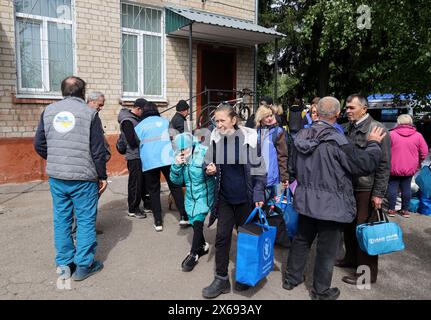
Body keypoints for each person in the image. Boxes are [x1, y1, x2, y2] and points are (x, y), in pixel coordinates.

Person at [284, 96, 386, 300]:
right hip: (331, 205)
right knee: (326, 249)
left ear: (317, 112)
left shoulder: (301, 135)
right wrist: (374, 144)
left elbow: (292, 169)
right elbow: (363, 165)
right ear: (337, 115)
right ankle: (321, 292)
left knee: (302, 241)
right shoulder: (338, 140)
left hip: (306, 201)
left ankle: (291, 279)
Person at [34, 76, 107, 281]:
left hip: (57, 176)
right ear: (82, 93)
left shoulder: (48, 111)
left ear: (62, 91)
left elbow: (39, 143)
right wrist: (102, 175)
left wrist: (58, 159)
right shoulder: (90, 113)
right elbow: (98, 150)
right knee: (84, 220)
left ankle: (64, 264)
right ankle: (84, 266)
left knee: (62, 219)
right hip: (83, 178)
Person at [201, 105, 266, 299]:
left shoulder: (250, 139)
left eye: (222, 120)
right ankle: (221, 279)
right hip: (225, 198)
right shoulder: (216, 138)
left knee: (247, 239)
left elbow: (259, 171)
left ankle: (244, 276)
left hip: (246, 199)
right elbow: (206, 161)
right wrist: (208, 167)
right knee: (222, 238)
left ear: (233, 120)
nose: (218, 125)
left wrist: (259, 195)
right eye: (216, 121)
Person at [337, 94, 391, 286]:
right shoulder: (349, 128)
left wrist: (378, 194)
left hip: (366, 189)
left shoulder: (377, 129)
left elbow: (384, 165)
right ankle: (351, 259)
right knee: (349, 227)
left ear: (364, 109)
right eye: (347, 108)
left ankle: (366, 275)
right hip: (350, 187)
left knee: (365, 231)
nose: (348, 111)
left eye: (352, 108)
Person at [134, 102, 188, 231]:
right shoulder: (164, 122)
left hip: (149, 161)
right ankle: (184, 217)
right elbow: (175, 138)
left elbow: (136, 142)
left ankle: (158, 222)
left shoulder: (139, 126)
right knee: (175, 186)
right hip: (167, 158)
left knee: (153, 191)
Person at [170, 133, 215, 271]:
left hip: (204, 193)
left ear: (191, 145)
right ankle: (203, 247)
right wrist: (176, 165)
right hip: (190, 195)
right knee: (193, 219)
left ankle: (193, 254)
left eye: (185, 149)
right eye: (180, 149)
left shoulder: (203, 152)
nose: (183, 152)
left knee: (197, 222)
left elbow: (212, 172)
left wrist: (210, 171)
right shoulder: (179, 156)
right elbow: (176, 182)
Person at [387, 114, 428, 218]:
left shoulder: (391, 134)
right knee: (406, 188)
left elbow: (384, 151)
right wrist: (418, 162)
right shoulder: (418, 135)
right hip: (410, 167)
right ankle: (405, 211)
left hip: (393, 166)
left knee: (392, 187)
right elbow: (424, 151)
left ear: (398, 122)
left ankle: (391, 209)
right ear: (410, 122)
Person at [118, 99, 151, 219]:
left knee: (142, 183)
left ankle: (146, 205)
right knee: (135, 183)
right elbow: (131, 141)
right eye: (144, 111)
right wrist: (147, 139)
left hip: (140, 155)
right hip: (134, 157)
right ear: (138, 109)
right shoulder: (127, 121)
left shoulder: (136, 120)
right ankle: (133, 208)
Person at [254, 105, 289, 199]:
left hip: (275, 181)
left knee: (276, 210)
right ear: (260, 118)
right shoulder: (256, 132)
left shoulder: (278, 132)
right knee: (261, 210)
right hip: (259, 180)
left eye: (271, 115)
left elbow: (283, 156)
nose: (270, 118)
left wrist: (284, 178)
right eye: (266, 116)